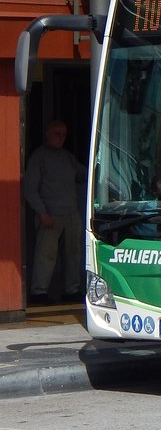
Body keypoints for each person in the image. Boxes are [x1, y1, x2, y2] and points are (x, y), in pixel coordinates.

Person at [23, 119, 85, 305]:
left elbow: (83, 174)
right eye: (57, 134)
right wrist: (42, 212)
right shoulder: (38, 157)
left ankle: (72, 290)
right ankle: (39, 292)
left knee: (74, 254)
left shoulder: (67, 157)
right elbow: (29, 189)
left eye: (64, 134)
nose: (61, 138)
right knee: (46, 255)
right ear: (47, 134)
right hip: (49, 215)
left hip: (71, 214)